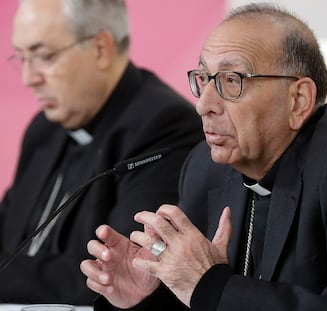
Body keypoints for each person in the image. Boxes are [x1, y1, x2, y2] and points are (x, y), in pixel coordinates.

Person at [80, 3, 327, 311]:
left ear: (298, 100)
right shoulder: (204, 166)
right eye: (203, 79)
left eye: (231, 80)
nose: (203, 104)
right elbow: (199, 299)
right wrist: (144, 298)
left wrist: (213, 286)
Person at [0, 0, 203, 306]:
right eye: (22, 58)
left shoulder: (163, 127)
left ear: (100, 48)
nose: (29, 78)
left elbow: (114, 271)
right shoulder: (45, 129)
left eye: (43, 57)